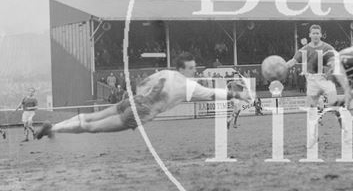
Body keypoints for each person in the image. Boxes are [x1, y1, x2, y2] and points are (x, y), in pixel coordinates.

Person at [36, 53, 251, 138]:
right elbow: (214, 94)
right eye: (192, 67)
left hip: (134, 100)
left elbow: (141, 85)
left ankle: (53, 128)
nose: (194, 70)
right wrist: (237, 95)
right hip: (141, 110)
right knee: (92, 128)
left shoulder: (166, 73)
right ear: (183, 69)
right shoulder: (188, 86)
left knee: (92, 117)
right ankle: (52, 129)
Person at [286, 25, 347, 141]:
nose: (315, 35)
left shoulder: (327, 48)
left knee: (334, 105)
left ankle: (343, 126)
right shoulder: (304, 49)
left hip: (325, 80)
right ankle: (314, 135)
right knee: (311, 109)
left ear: (321, 34)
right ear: (309, 35)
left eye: (317, 33)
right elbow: (293, 61)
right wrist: (283, 66)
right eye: (313, 33)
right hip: (312, 81)